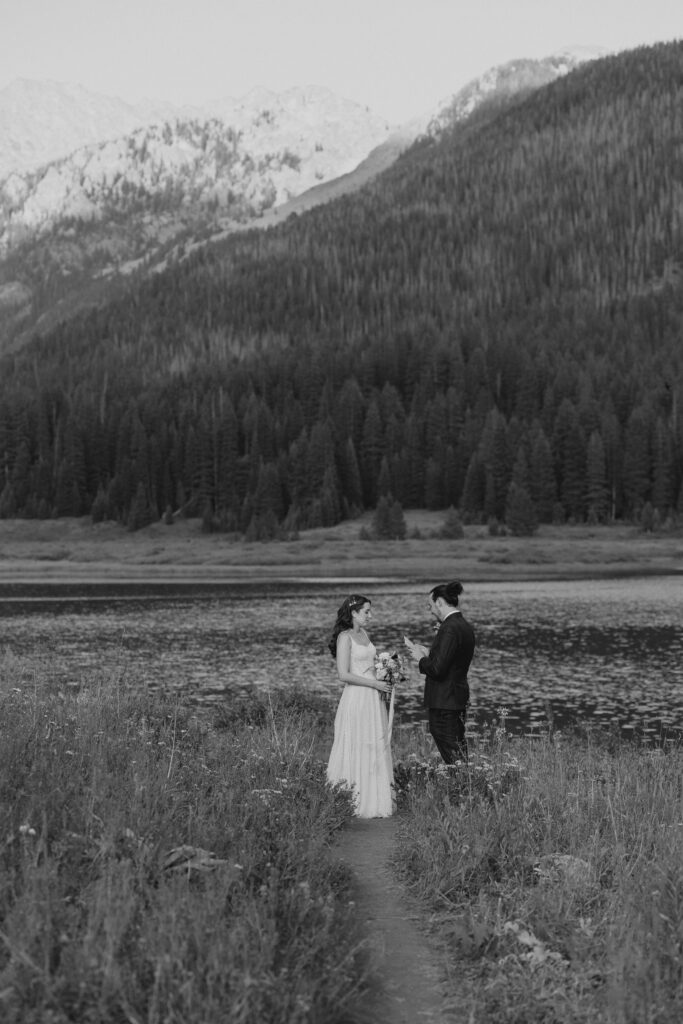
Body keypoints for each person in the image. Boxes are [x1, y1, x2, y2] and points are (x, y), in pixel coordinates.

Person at [326, 594, 396, 818]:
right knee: (356, 742)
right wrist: (374, 683)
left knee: (372, 743)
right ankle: (352, 799)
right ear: (354, 613)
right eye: (366, 611)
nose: (370, 615)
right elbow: (343, 674)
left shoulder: (364, 634)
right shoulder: (345, 638)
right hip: (357, 697)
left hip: (373, 698)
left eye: (370, 611)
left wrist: (387, 673)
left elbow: (370, 664)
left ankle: (374, 799)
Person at [405, 581, 475, 764]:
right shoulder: (462, 624)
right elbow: (452, 660)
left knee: (453, 754)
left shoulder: (449, 627)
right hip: (455, 698)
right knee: (458, 751)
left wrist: (420, 658)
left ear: (440, 602)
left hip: (445, 701)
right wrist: (430, 653)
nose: (430, 610)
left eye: (430, 605)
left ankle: (463, 789)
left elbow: (437, 670)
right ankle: (467, 786)